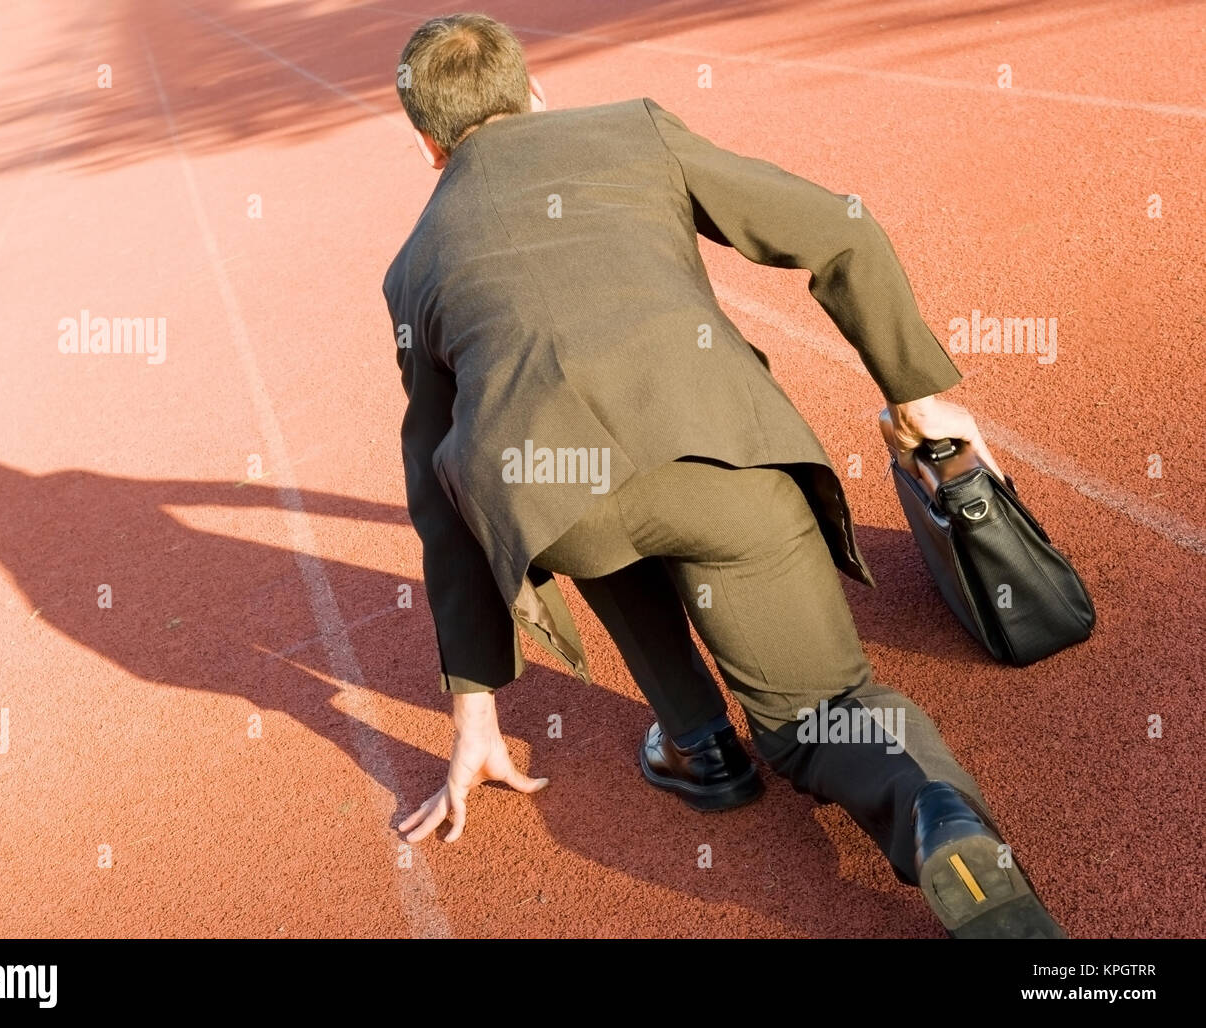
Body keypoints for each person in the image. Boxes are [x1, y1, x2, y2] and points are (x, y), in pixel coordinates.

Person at [381, 13, 1063, 938]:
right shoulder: (634, 127)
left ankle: (702, 746)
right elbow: (835, 227)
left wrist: (475, 715)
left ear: (427, 145)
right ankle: (932, 812)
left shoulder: (413, 265)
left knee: (563, 491)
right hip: (724, 456)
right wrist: (921, 395)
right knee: (829, 708)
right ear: (536, 92)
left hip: (565, 511)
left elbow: (437, 491)